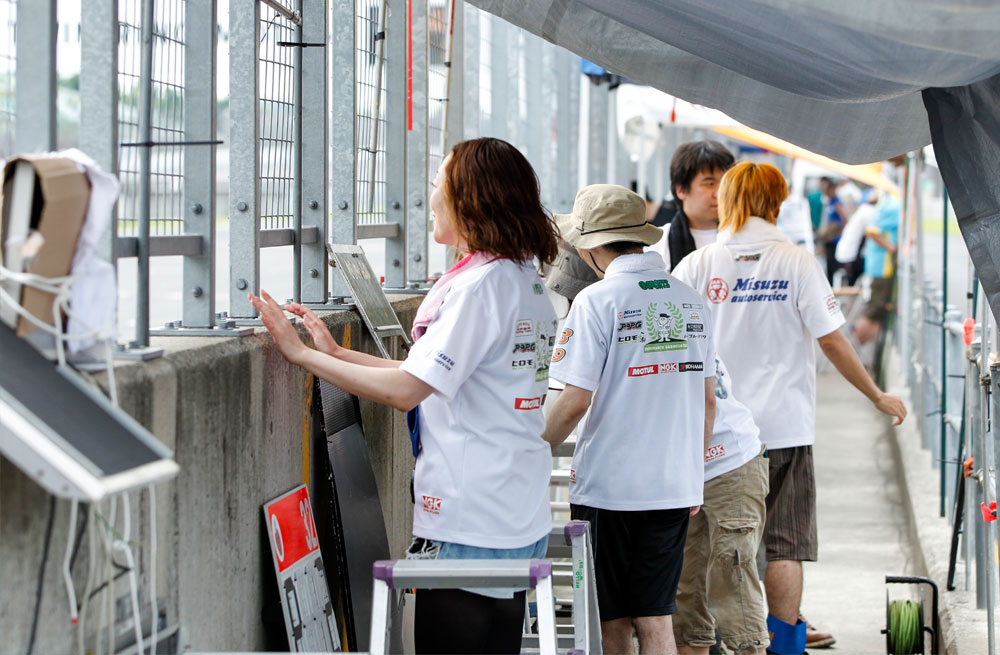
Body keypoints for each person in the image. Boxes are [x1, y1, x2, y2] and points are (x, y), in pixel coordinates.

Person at [250, 137, 559, 655]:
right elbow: (430, 375)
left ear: (470, 198)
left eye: (439, 184)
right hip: (512, 508)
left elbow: (406, 391)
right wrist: (339, 355)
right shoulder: (520, 278)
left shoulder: (479, 288)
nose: (431, 196)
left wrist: (302, 356)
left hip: (472, 517)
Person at [672, 162, 907, 655]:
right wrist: (876, 394)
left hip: (714, 434)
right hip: (783, 430)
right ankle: (784, 647)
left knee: (707, 546)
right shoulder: (797, 262)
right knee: (785, 543)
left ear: (728, 200)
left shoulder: (696, 265)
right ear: (777, 203)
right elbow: (833, 340)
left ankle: (705, 643)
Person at [541, 184, 717, 655]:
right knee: (657, 617)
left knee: (612, 617)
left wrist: (534, 451)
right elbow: (708, 401)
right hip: (674, 485)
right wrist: (693, 475)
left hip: (609, 488)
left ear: (588, 247)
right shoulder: (691, 301)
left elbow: (574, 401)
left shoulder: (596, 302)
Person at [646, 140, 736, 271]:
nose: (719, 193)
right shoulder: (657, 246)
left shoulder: (746, 240)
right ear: (681, 190)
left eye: (725, 183)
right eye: (710, 184)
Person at [853, 193, 901, 345]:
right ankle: (854, 347)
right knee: (874, 312)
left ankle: (858, 347)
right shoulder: (893, 205)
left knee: (877, 313)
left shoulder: (889, 202)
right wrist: (892, 248)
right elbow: (872, 231)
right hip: (882, 268)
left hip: (879, 267)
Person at [817, 176, 847, 285]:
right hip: (829, 238)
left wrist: (840, 230)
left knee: (833, 265)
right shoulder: (829, 201)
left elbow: (844, 217)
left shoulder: (836, 202)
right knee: (828, 265)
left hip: (834, 239)